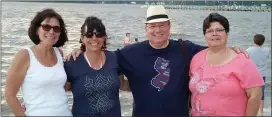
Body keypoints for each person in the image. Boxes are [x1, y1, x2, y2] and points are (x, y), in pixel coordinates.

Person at [67, 5, 246, 116]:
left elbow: (213, 51)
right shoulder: (129, 53)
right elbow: (102, 57)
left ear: (169, 27)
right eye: (153, 26)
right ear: (146, 29)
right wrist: (80, 50)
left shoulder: (186, 48)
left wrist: (231, 49)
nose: (157, 30)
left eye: (162, 25)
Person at [189, 13, 264, 116]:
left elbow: (255, 96)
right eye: (209, 31)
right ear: (205, 35)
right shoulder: (196, 58)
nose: (214, 33)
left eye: (219, 30)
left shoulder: (242, 60)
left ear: (227, 33)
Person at [5, 9, 72, 116]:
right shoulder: (25, 55)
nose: (51, 31)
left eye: (56, 28)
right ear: (37, 30)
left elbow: (61, 87)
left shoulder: (59, 53)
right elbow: (9, 95)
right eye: (46, 27)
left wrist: (81, 54)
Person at [64, 16, 129, 116]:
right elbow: (60, 91)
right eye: (89, 34)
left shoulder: (114, 58)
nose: (94, 38)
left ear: (104, 37)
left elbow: (123, 85)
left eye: (99, 34)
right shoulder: (72, 63)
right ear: (82, 38)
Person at [246, 34, 270, 116]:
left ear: (254, 40)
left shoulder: (249, 50)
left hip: (252, 73)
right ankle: (261, 111)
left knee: (250, 92)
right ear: (263, 42)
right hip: (262, 74)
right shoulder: (266, 50)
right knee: (261, 93)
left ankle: (250, 109)